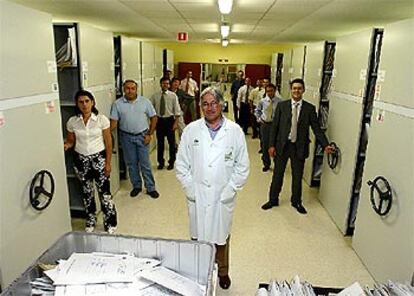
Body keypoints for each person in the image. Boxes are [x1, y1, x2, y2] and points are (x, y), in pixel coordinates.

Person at [176, 87, 250, 290]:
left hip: (222, 197)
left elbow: (242, 167)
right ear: (200, 107)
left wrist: (230, 190)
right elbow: (181, 164)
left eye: (213, 103)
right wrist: (191, 189)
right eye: (205, 104)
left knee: (221, 239)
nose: (209, 108)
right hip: (197, 196)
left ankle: (223, 273)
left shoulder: (234, 131)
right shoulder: (191, 130)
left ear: (221, 104)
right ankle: (198, 272)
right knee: (197, 238)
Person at [261, 78, 334, 214]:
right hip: (282, 146)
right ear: (291, 90)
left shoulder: (309, 109)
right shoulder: (282, 106)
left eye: (299, 88)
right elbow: (275, 127)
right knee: (278, 174)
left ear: (303, 90)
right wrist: (271, 145)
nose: (296, 91)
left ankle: (296, 202)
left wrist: (325, 145)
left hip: (299, 147)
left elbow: (316, 129)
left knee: (297, 176)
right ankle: (272, 199)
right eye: (294, 88)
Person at [64, 90, 117, 234]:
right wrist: (63, 146)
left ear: (92, 102)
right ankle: (91, 220)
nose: (84, 104)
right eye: (81, 102)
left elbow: (108, 143)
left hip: (99, 158)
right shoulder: (72, 122)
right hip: (81, 160)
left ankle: (110, 222)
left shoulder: (101, 119)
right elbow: (70, 141)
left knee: (104, 193)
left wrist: (108, 163)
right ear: (77, 104)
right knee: (87, 193)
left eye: (87, 101)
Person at [110, 80, 159, 198]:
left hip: (142, 136)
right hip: (126, 137)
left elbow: (154, 118)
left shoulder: (145, 102)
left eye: (132, 88)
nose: (130, 91)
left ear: (136, 89)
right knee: (131, 164)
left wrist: (150, 134)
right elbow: (114, 123)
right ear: (123, 89)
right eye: (127, 88)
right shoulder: (117, 104)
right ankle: (136, 186)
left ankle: (150, 187)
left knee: (145, 163)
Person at [150, 77, 181, 170]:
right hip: (159, 121)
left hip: (169, 121)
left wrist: (175, 123)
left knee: (172, 143)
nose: (165, 85)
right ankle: (161, 162)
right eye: (164, 83)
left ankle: (171, 162)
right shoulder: (155, 96)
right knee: (160, 144)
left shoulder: (173, 96)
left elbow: (177, 111)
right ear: (160, 84)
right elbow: (151, 110)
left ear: (169, 85)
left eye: (167, 83)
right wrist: (152, 123)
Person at [255, 83, 282, 172]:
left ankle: (277, 163)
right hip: (265, 125)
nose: (269, 93)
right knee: (265, 145)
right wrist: (259, 119)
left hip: (276, 125)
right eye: (268, 91)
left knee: (275, 145)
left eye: (271, 91)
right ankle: (266, 163)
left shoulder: (280, 102)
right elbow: (257, 111)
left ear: (275, 91)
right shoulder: (262, 101)